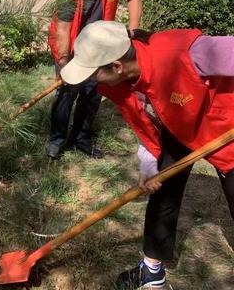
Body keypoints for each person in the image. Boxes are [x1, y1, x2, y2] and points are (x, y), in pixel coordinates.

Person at [60, 21, 234, 289]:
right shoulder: (121, 83)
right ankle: (152, 271)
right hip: (182, 127)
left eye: (94, 73)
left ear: (116, 66)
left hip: (225, 128)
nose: (93, 80)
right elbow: (142, 121)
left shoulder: (185, 52)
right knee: (163, 189)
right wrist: (149, 162)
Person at [47, 0, 142, 159]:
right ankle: (57, 140)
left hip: (100, 44)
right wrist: (63, 61)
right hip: (69, 46)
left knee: (93, 93)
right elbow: (63, 27)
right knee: (66, 93)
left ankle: (81, 138)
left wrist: (134, 30)